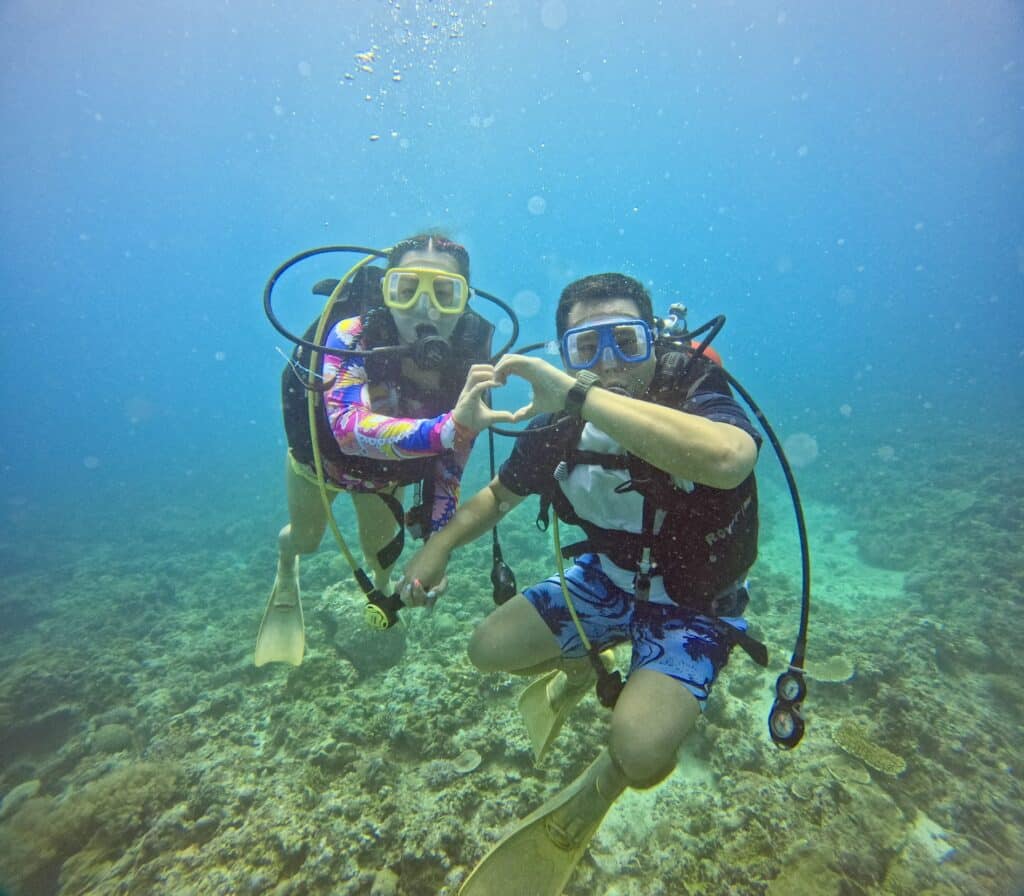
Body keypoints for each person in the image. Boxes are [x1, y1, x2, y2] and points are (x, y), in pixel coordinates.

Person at [399, 272, 762, 894]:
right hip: (605, 581)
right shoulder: (558, 422)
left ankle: (607, 777)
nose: (609, 364)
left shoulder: (691, 386)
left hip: (694, 605)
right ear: (565, 352)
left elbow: (729, 459)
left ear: (655, 341)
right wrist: (436, 549)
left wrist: (579, 393)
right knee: (485, 648)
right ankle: (578, 666)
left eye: (626, 340)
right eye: (587, 349)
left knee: (643, 755)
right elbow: (497, 496)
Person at [255, 234, 515, 667]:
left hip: (386, 478)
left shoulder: (470, 364)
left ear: (463, 302)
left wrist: (435, 548)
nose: (425, 307)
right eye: (407, 289)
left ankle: (381, 586)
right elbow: (348, 429)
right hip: (320, 466)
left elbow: (450, 469)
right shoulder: (351, 335)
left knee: (381, 553)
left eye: (445, 293)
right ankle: (286, 564)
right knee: (306, 539)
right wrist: (451, 427)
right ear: (385, 292)